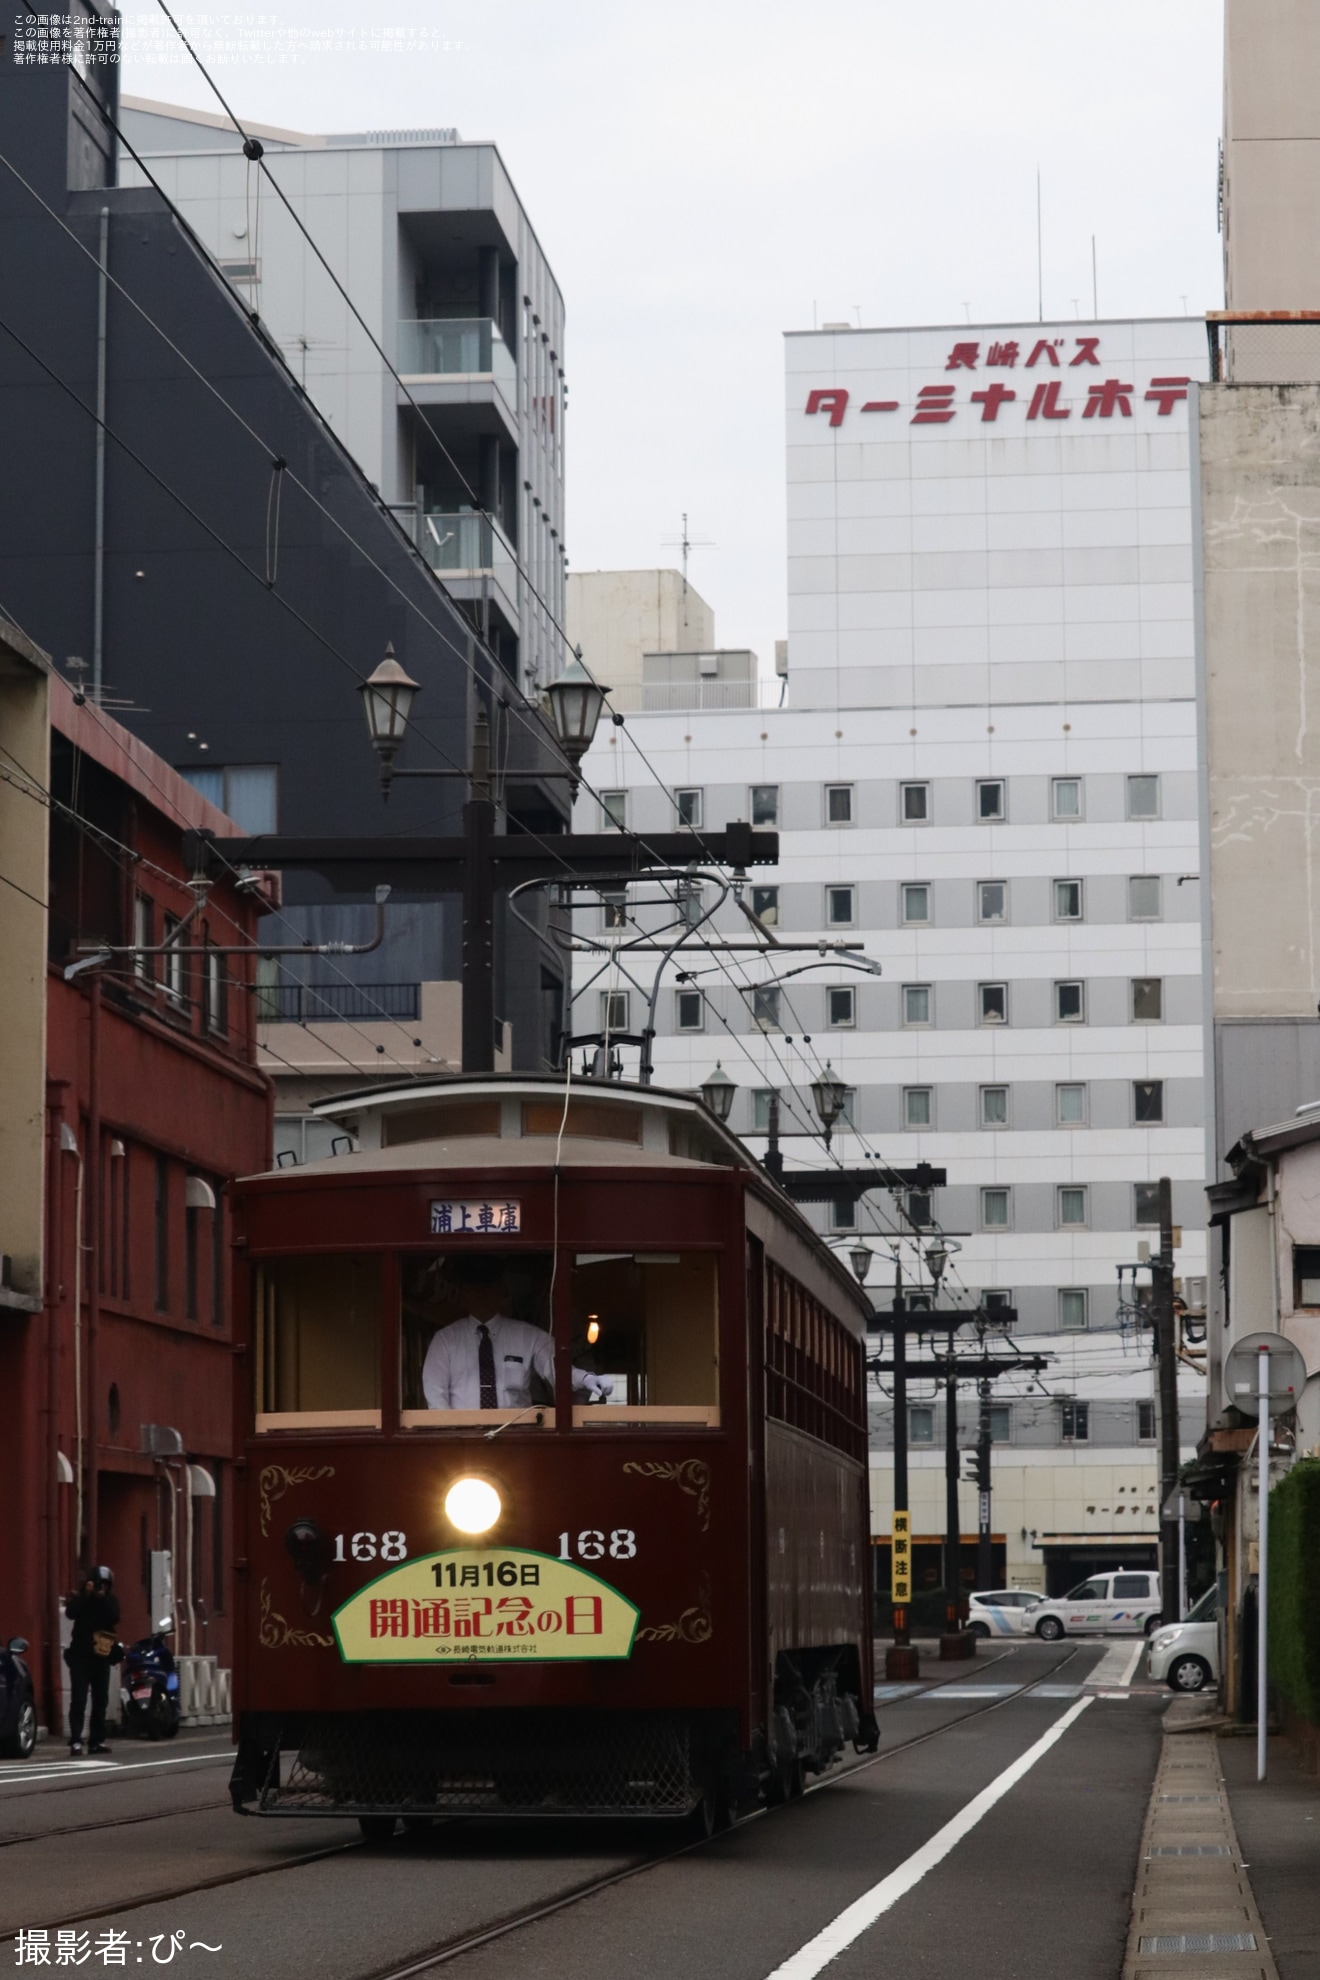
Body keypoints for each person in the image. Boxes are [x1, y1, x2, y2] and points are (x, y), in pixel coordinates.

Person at [421, 1260, 611, 1410]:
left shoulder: (528, 1336)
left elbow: (557, 1369)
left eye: (488, 1287)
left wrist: (586, 1378)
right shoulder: (445, 1340)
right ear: (464, 1294)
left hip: (518, 1436)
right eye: (474, 1288)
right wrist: (449, 1438)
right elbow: (436, 1396)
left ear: (501, 1292)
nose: (481, 1294)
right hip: (461, 1441)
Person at [64, 1566, 120, 1755]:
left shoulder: (109, 1600)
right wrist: (86, 1595)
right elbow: (70, 1613)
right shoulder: (82, 1599)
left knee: (100, 1700)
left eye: (105, 1585)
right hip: (80, 1656)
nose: (101, 1588)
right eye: (99, 1584)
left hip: (101, 1656)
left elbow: (114, 1617)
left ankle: (97, 1740)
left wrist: (102, 1597)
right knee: (78, 1699)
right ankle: (76, 1740)